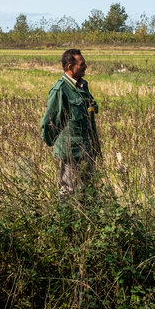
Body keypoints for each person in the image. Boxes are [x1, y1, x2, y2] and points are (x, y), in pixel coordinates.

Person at [40, 48, 101, 199]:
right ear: (69, 67)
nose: (85, 66)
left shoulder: (82, 86)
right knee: (68, 192)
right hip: (71, 152)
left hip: (88, 149)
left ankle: (88, 222)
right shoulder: (60, 89)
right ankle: (67, 221)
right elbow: (48, 122)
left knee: (90, 193)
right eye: (81, 64)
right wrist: (58, 145)